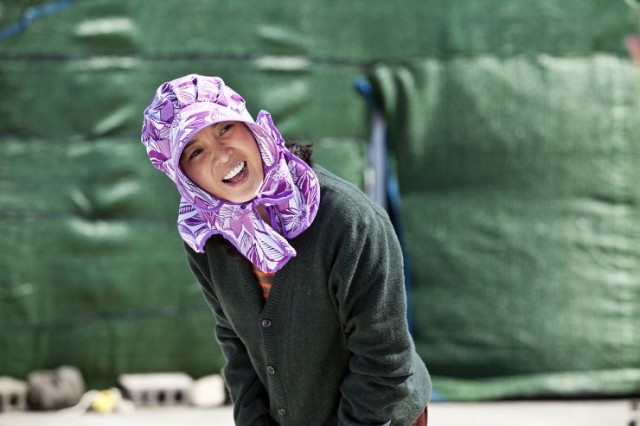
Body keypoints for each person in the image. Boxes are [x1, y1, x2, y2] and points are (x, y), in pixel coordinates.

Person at [140, 74, 431, 425]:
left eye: (224, 129)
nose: (221, 155)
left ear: (251, 128)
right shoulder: (207, 237)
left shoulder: (348, 221)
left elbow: (384, 363)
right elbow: (236, 345)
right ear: (183, 177)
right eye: (196, 151)